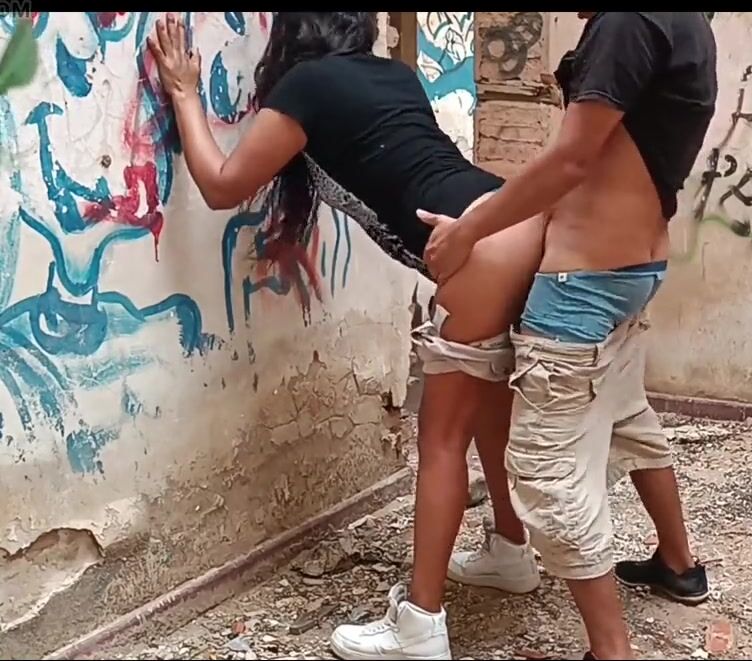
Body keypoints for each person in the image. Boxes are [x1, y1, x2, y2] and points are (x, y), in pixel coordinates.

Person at [147, 12, 546, 660]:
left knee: (440, 439)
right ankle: (510, 549)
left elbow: (221, 185)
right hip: (514, 222)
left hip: (477, 248)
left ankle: (420, 624)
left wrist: (185, 94)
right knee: (487, 407)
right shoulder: (395, 75)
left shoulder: (307, 88)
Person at [420, 12, 718, 660]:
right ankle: (677, 563)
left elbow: (572, 159)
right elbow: (605, 157)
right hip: (633, 268)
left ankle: (610, 649)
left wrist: (469, 232)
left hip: (583, 285)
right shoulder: (684, 22)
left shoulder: (626, 23)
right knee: (626, 415)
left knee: (546, 470)